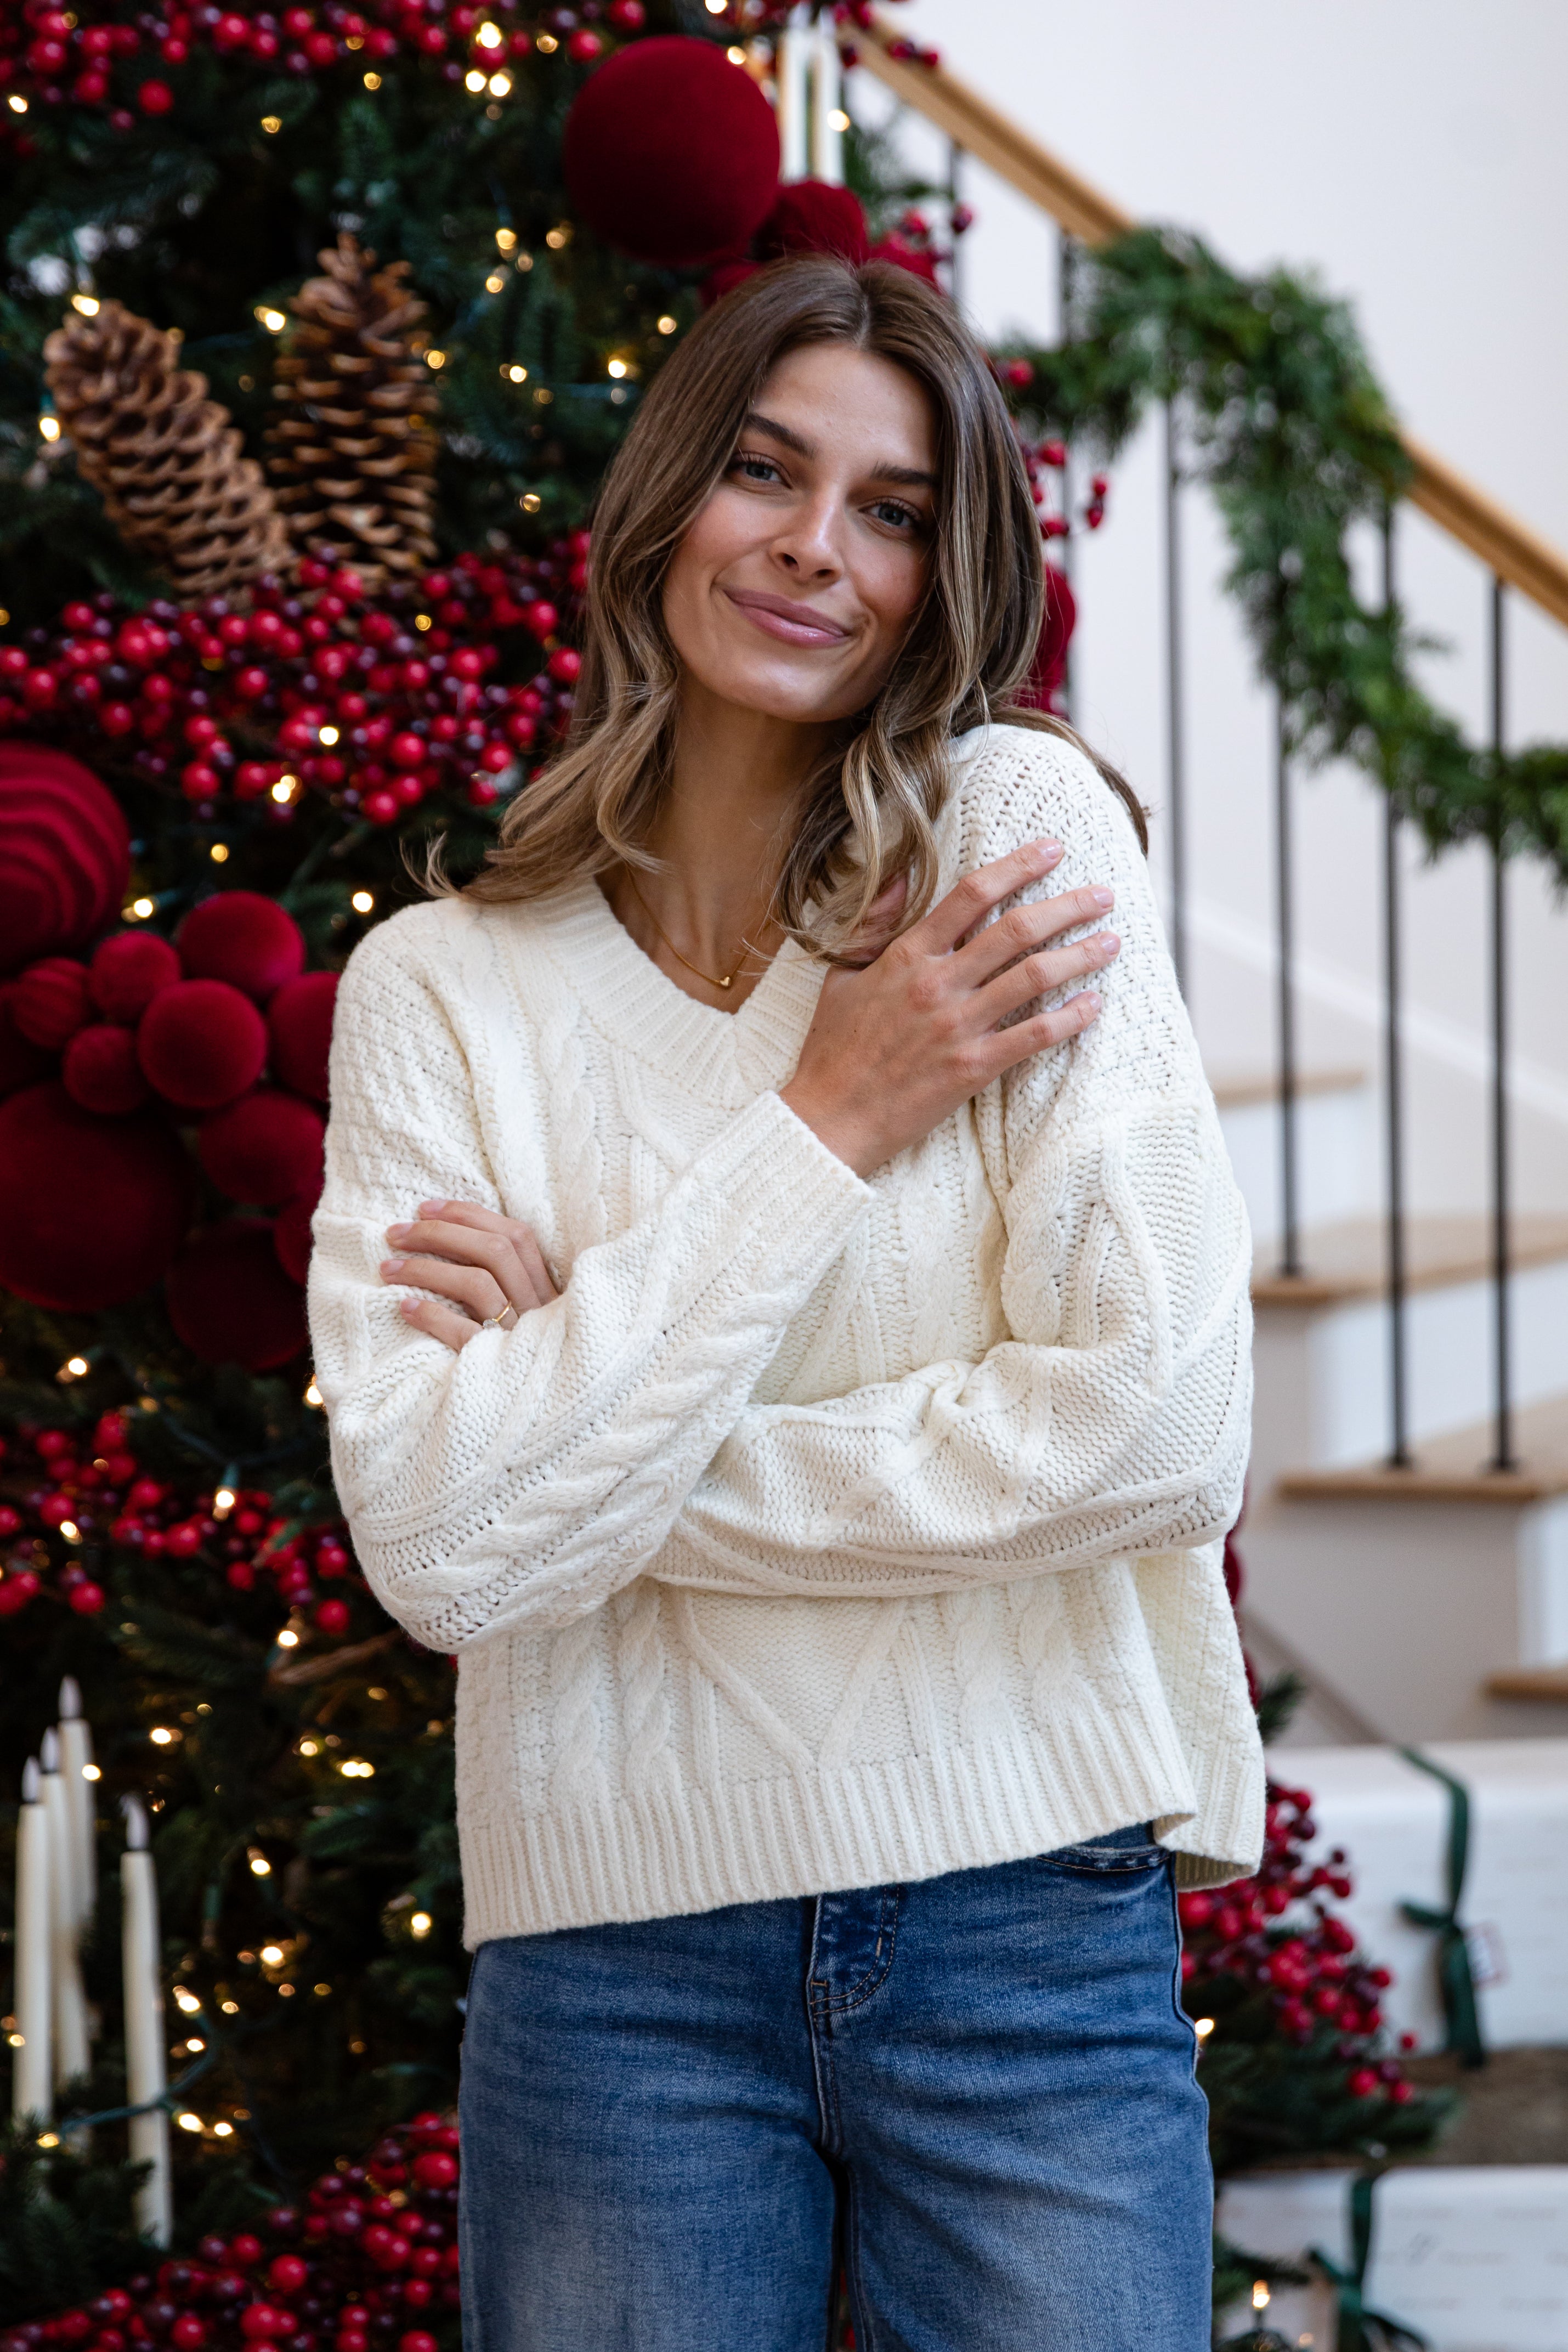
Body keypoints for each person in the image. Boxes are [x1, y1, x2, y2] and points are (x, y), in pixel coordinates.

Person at [308, 255, 1261, 2352]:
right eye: (764, 470)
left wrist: (593, 1415)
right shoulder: (438, 993)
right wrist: (837, 1108)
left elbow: (1160, 1425)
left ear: (949, 565)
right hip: (612, 1958)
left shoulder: (1009, 841)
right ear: (669, 498)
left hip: (1026, 1913)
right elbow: (445, 1546)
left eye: (895, 507)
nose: (815, 549)